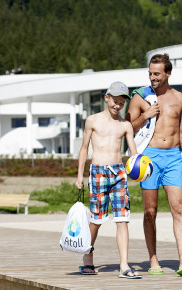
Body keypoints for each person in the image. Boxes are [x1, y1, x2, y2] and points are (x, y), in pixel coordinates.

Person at [126, 53, 182, 276]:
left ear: (168, 73)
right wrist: (145, 116)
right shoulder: (140, 97)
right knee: (150, 212)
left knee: (179, 209)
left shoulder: (180, 99)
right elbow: (127, 128)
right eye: (150, 73)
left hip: (174, 158)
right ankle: (153, 259)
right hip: (149, 158)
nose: (152, 77)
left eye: (157, 74)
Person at [75, 81, 142, 279]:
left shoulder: (125, 125)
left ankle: (124, 266)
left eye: (121, 102)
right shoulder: (92, 120)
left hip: (119, 173)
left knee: (122, 219)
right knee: (96, 220)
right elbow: (84, 149)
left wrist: (140, 168)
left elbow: (133, 154)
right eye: (115, 101)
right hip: (98, 172)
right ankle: (87, 256)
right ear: (106, 97)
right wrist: (80, 174)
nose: (118, 105)